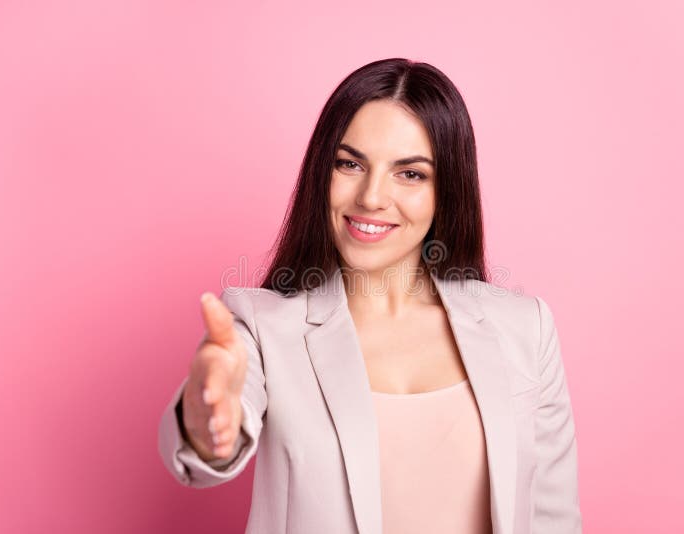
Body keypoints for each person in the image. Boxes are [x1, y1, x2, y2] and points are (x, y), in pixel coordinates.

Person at [158, 57, 582, 534]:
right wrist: (205, 419)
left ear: (448, 189)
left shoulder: (525, 328)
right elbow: (209, 446)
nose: (372, 197)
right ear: (323, 171)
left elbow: (553, 517)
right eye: (350, 163)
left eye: (411, 173)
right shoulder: (261, 327)